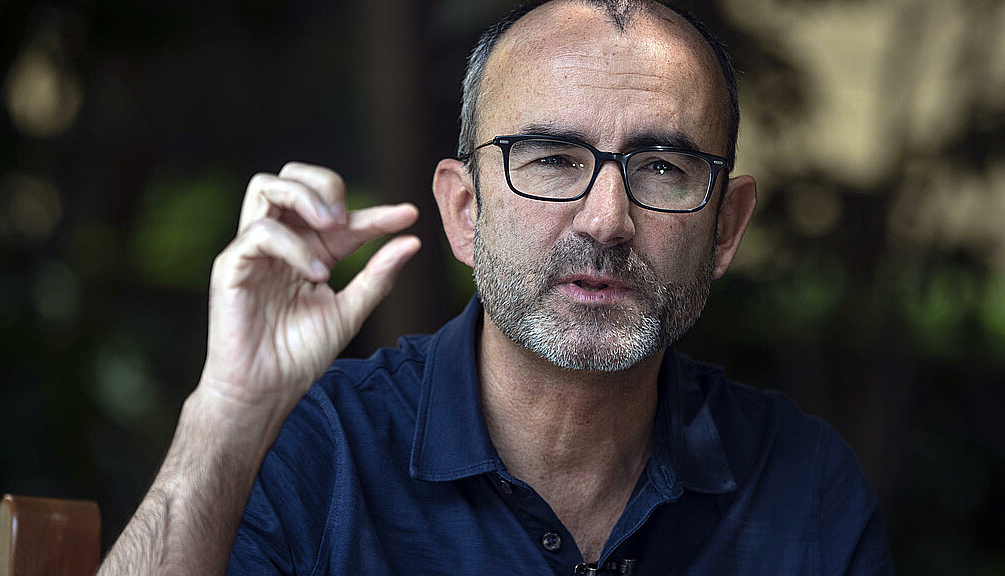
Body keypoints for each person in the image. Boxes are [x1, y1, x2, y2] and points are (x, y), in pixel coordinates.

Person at [98, 1, 894, 574]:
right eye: (551, 160)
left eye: (661, 168)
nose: (607, 219)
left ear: (725, 227)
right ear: (464, 211)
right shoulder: (318, 450)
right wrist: (226, 415)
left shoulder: (802, 486)